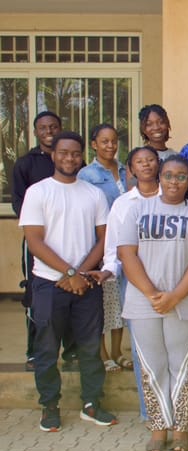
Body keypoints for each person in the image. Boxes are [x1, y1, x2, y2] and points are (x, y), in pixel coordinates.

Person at [19, 131, 117, 432]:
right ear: (53, 155)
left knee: (89, 347)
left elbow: (104, 239)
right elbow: (34, 241)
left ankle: (91, 403)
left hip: (85, 283)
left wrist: (80, 274)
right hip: (49, 283)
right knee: (47, 348)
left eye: (75, 153)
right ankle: (49, 406)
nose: (69, 158)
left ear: (81, 156)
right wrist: (68, 273)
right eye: (63, 152)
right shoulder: (38, 192)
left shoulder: (93, 193)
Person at [118, 155, 188, 451]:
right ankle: (159, 429)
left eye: (181, 176)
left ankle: (181, 429)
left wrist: (174, 295)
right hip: (143, 302)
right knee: (152, 366)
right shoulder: (137, 210)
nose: (174, 181)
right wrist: (151, 293)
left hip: (184, 302)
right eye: (169, 175)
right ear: (160, 177)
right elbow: (127, 254)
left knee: (182, 366)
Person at [86, 146, 163, 423]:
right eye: (139, 161)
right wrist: (107, 271)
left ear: (159, 164)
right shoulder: (122, 204)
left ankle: (173, 408)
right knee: (144, 351)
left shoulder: (173, 198)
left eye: (151, 160)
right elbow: (113, 247)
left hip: (170, 281)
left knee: (169, 349)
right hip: (133, 283)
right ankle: (149, 412)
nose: (146, 165)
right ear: (130, 169)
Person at [12, 111, 77, 372]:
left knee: (74, 292)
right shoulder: (25, 163)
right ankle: (34, 352)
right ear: (36, 131)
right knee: (36, 296)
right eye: (43, 127)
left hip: (71, 241)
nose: (48, 131)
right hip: (38, 240)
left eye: (53, 126)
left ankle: (72, 351)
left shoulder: (73, 161)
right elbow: (18, 202)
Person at [78, 123, 131, 374]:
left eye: (114, 141)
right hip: (100, 245)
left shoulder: (125, 170)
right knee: (100, 303)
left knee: (118, 302)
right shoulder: (87, 175)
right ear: (94, 144)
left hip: (124, 245)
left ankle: (119, 351)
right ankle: (103, 353)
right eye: (104, 141)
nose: (110, 146)